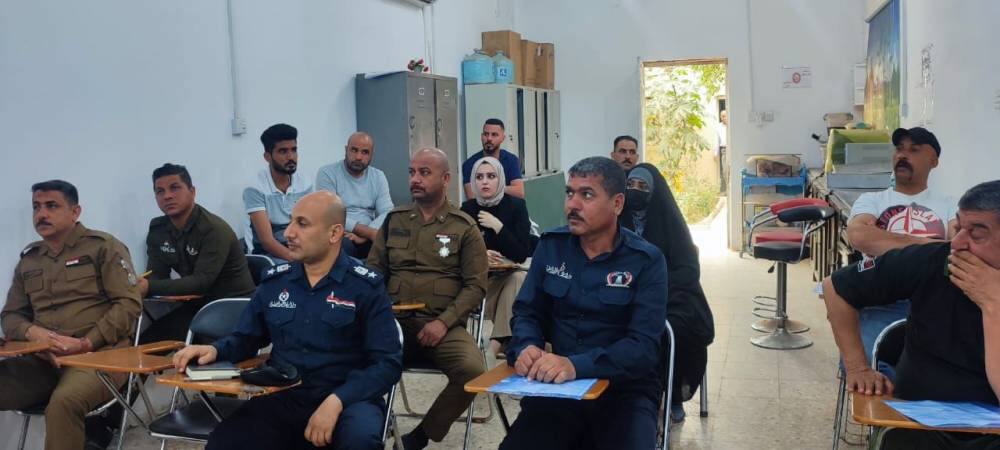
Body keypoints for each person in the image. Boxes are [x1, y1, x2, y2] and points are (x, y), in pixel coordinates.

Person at [172, 191, 402, 450]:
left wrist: (336, 401)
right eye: (291, 221)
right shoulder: (275, 282)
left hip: (349, 397)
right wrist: (214, 350)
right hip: (285, 394)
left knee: (360, 442)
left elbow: (387, 363)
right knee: (224, 442)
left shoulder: (364, 286)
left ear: (334, 233)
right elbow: (245, 339)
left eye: (302, 224)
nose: (288, 233)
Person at [501, 157, 668, 450]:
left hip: (624, 392)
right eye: (570, 193)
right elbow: (527, 312)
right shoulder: (551, 247)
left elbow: (642, 347)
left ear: (617, 204)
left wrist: (575, 365)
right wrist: (526, 345)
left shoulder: (645, 260)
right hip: (560, 390)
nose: (572, 205)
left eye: (587, 195)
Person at [823, 180, 1000, 449]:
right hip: (917, 423)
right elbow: (835, 287)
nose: (957, 243)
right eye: (958, 228)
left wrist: (992, 303)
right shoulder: (934, 260)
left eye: (976, 234)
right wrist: (857, 367)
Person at [0, 180, 142, 450]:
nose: (42, 214)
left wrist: (86, 343)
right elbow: (10, 315)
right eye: (36, 207)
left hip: (99, 357)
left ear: (75, 212)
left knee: (64, 403)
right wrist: (33, 333)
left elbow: (129, 304)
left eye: (52, 206)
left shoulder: (104, 247)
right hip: (42, 361)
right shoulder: (29, 260)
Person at [367, 148, 488, 449]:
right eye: (412, 172)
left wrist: (444, 323)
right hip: (393, 324)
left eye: (424, 173)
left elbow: (475, 286)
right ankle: (368, 427)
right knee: (346, 356)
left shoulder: (464, 227)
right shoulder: (394, 220)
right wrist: (376, 317)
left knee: (473, 371)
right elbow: (372, 274)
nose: (415, 179)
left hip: (441, 325)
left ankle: (421, 436)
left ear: (445, 179)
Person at [845, 126, 956, 376]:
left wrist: (886, 240)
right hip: (881, 301)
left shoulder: (950, 204)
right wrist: (932, 247)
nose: (902, 155)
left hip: (934, 303)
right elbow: (860, 236)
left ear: (933, 161)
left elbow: (957, 249)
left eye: (914, 150)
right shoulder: (872, 200)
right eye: (899, 149)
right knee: (869, 366)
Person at [620, 163, 714, 423]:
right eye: (630, 185)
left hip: (671, 294)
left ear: (654, 191)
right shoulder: (616, 220)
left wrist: (653, 285)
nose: (635, 190)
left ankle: (672, 393)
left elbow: (689, 270)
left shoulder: (669, 222)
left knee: (675, 329)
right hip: (626, 293)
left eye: (642, 186)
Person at [139, 163, 256, 343]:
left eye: (175, 188)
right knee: (146, 342)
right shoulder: (158, 229)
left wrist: (149, 287)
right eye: (160, 191)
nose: (167, 196)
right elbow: (156, 275)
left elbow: (201, 282)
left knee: (191, 347)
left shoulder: (213, 229)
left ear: (192, 192)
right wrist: (138, 284)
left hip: (231, 306)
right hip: (197, 304)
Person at [460, 156, 538, 356]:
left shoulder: (516, 206)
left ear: (501, 178)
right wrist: (480, 254)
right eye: (479, 177)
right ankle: (504, 342)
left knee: (517, 278)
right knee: (514, 286)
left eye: (491, 176)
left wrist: (499, 228)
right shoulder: (467, 209)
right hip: (478, 286)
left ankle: (494, 346)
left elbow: (520, 254)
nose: (485, 182)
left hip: (506, 282)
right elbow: (457, 251)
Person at [315, 131, 393, 259]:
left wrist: (367, 233)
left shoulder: (378, 176)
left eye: (365, 152)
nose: (358, 157)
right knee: (341, 247)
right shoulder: (327, 173)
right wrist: (366, 232)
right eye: (354, 150)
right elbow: (330, 213)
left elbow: (387, 211)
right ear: (346, 150)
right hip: (340, 233)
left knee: (396, 243)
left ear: (372, 155)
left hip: (369, 233)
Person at [244, 123, 313, 262]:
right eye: (283, 151)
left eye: (294, 150)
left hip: (297, 246)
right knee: (299, 271)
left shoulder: (304, 182)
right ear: (267, 156)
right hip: (266, 254)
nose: (291, 157)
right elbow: (267, 241)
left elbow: (310, 224)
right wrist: (302, 261)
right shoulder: (255, 188)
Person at [462, 118, 524, 199]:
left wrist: (493, 188)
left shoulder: (511, 160)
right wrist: (504, 189)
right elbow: (472, 197)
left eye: (494, 135)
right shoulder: (470, 164)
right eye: (486, 134)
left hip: (507, 206)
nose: (489, 138)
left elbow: (519, 193)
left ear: (502, 138)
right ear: (481, 136)